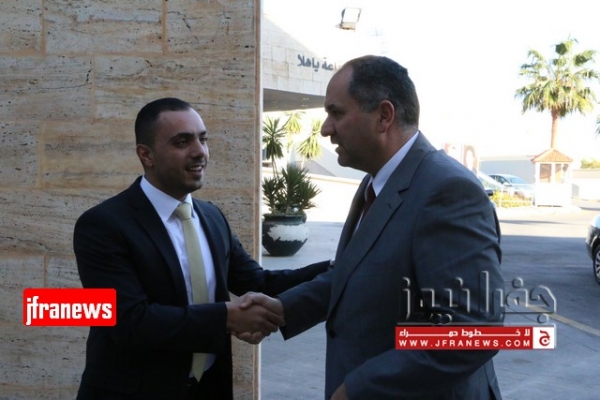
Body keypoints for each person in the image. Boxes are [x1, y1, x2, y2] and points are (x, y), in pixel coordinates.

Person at [242, 55, 504, 399]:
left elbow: (472, 332)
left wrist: (360, 388)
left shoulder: (447, 190)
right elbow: (356, 273)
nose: (325, 129)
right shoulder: (376, 183)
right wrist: (285, 308)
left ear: (384, 116)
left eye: (336, 113)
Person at [73, 97, 327, 400]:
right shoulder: (103, 225)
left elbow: (258, 282)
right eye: (182, 142)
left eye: (202, 139)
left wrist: (342, 266)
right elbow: (129, 322)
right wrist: (226, 317)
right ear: (146, 154)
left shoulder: (211, 217)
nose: (200, 152)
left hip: (208, 388)